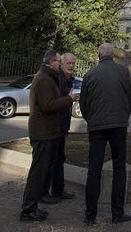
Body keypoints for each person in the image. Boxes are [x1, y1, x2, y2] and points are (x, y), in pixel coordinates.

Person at [19, 50, 78, 223]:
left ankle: (32, 207)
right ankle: (28, 209)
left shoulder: (47, 77)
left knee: (41, 170)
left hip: (47, 131)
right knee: (38, 172)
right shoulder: (44, 79)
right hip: (42, 132)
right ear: (51, 62)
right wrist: (69, 99)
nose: (60, 64)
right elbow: (47, 105)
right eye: (59, 61)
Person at [79, 43, 131, 225]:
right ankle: (117, 212)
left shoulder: (90, 74)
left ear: (99, 55)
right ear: (112, 55)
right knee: (119, 168)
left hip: (96, 126)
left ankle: (90, 214)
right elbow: (129, 98)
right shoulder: (123, 72)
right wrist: (123, 117)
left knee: (94, 169)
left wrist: (90, 119)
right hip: (118, 125)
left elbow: (83, 103)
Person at [46, 51, 77, 201]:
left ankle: (58, 189)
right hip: (55, 126)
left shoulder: (69, 79)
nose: (71, 66)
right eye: (68, 63)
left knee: (59, 158)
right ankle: (48, 191)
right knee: (52, 159)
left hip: (62, 125)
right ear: (61, 64)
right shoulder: (58, 79)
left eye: (73, 63)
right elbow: (55, 102)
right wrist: (69, 99)